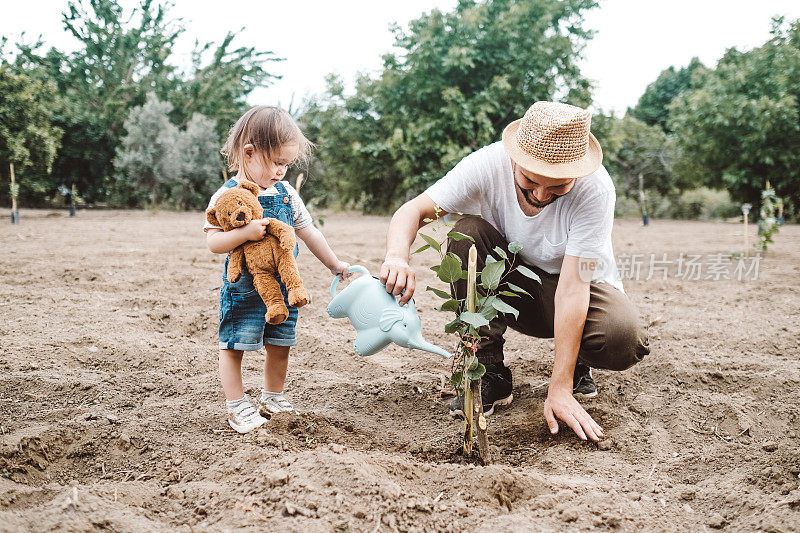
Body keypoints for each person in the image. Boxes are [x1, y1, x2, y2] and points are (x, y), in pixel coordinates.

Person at [380, 101, 650, 442]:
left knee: (622, 336)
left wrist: (560, 387)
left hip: (573, 289)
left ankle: (578, 364)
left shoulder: (596, 190)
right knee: (467, 232)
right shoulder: (486, 164)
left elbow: (574, 286)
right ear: (514, 158)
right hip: (511, 284)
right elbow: (414, 210)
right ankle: (489, 369)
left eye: (557, 188)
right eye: (529, 181)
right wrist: (397, 257)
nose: (539, 195)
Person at [205, 106, 350, 434]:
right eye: (276, 163)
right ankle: (236, 405)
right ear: (249, 153)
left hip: (283, 288)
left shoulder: (287, 195)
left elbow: (309, 231)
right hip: (244, 289)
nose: (282, 171)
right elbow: (213, 242)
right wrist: (244, 233)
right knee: (233, 345)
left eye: (287, 164)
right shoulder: (227, 195)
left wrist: (334, 264)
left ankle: (273, 397)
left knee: (281, 343)